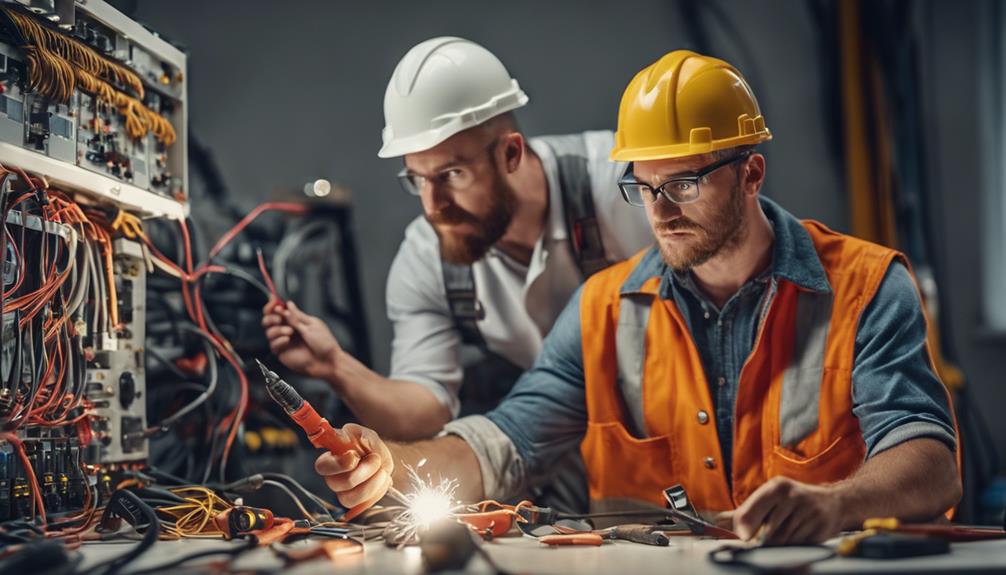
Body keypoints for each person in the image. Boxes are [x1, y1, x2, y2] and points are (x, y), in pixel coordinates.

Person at [312, 49, 962, 545]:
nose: (660, 210)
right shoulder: (602, 310)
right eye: (644, 187)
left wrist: (836, 504)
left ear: (751, 174)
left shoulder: (866, 285)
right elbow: (502, 445)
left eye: (682, 184)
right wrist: (391, 463)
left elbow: (931, 461)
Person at [261, 37, 651, 443]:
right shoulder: (425, 257)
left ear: (511, 154)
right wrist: (337, 367)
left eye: (452, 175)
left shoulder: (630, 188)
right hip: (565, 441)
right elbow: (426, 411)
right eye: (417, 179)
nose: (433, 206)